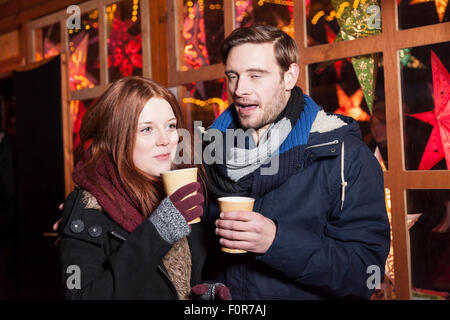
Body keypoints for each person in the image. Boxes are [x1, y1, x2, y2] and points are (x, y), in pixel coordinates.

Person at [202, 24, 391, 299]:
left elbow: (367, 274)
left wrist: (275, 242)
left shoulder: (344, 156)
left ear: (289, 76)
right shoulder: (210, 152)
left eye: (256, 75)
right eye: (233, 76)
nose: (239, 89)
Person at [58, 76, 229, 300]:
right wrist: (157, 232)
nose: (165, 139)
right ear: (115, 137)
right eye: (147, 129)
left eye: (170, 126)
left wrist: (202, 294)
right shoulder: (87, 206)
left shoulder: (181, 188)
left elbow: (176, 280)